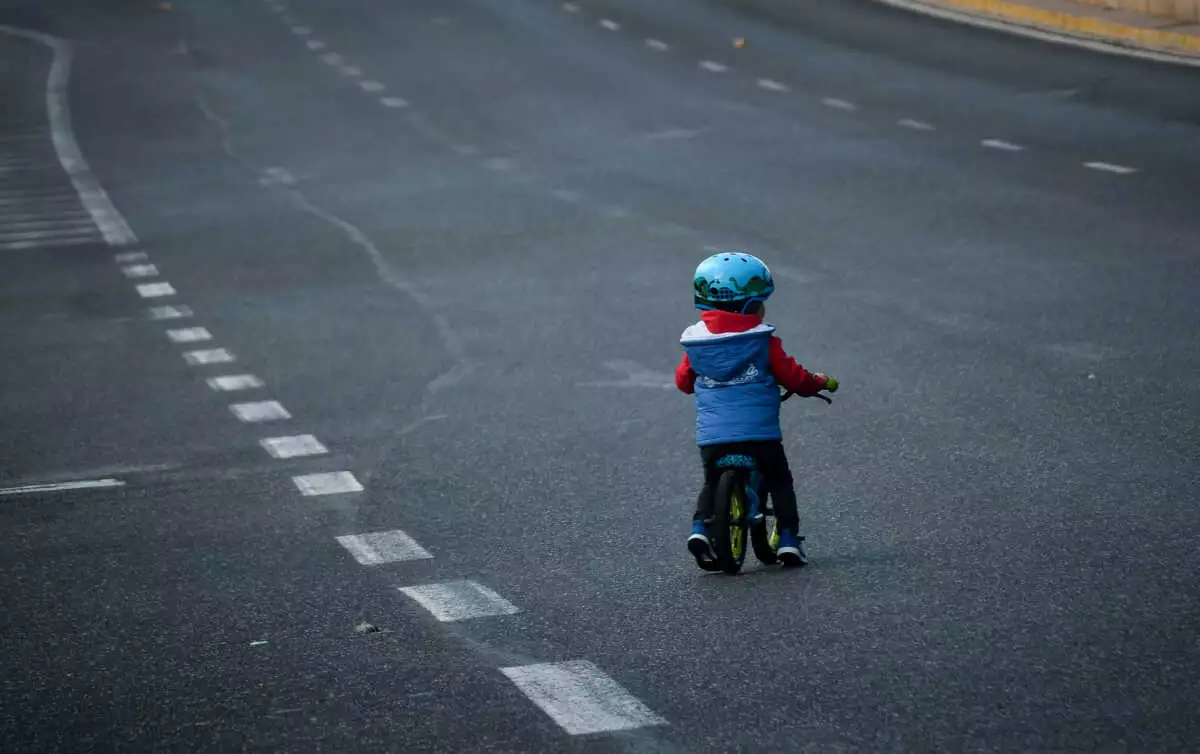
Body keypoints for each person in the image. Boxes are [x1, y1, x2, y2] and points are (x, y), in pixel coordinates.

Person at [675, 251, 838, 568]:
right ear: (750, 305)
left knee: (711, 481)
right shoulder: (763, 342)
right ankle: (789, 539)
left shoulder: (697, 344)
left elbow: (683, 382)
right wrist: (817, 382)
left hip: (713, 437)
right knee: (779, 479)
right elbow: (794, 377)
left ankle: (700, 527)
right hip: (759, 435)